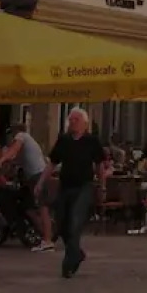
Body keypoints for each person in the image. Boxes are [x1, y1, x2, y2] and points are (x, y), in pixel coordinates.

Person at [47, 107, 108, 279]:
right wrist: (41, 182)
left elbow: (99, 165)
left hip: (84, 186)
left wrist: (102, 186)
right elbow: (52, 163)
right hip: (65, 186)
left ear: (85, 124)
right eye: (71, 120)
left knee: (75, 221)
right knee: (62, 224)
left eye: (76, 120)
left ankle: (69, 264)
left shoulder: (92, 141)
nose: (72, 123)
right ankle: (77, 253)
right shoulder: (64, 140)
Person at [0, 125, 54, 253]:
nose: (10, 138)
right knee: (30, 208)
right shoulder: (27, 145)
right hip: (33, 178)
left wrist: (1, 160)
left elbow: (12, 151)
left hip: (38, 176)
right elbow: (12, 163)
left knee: (42, 208)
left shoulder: (22, 136)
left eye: (11, 135)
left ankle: (48, 241)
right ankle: (44, 237)